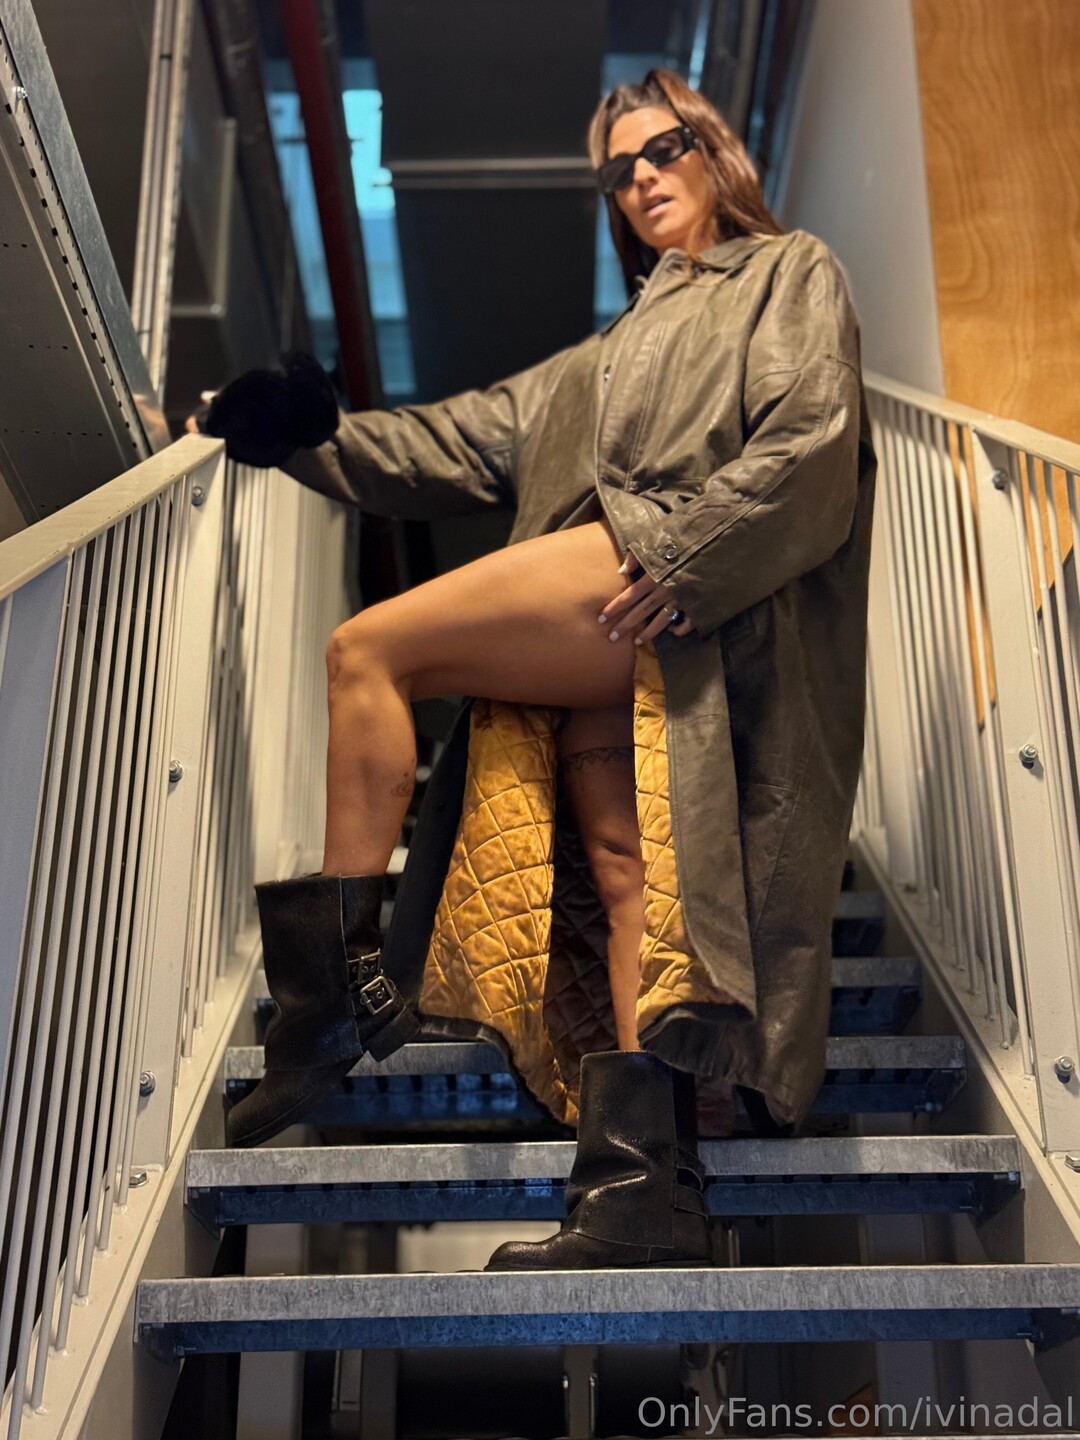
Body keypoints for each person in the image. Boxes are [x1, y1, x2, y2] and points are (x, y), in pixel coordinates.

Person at [192, 68, 876, 1272]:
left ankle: (331, 1000)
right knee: (618, 876)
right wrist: (295, 431)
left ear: (714, 149)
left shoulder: (785, 272)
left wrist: (690, 551)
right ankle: (639, 1198)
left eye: (664, 148)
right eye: (618, 170)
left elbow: (813, 433)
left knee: (369, 646)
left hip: (679, 588)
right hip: (617, 628)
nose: (643, 178)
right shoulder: (584, 367)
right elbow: (438, 443)